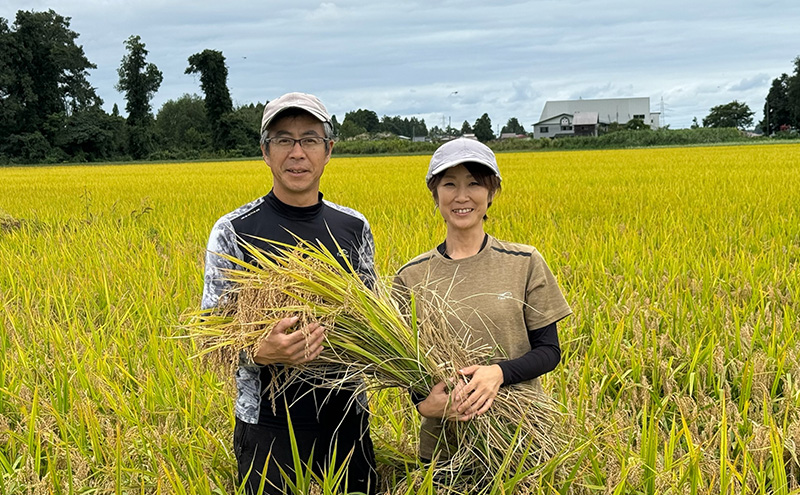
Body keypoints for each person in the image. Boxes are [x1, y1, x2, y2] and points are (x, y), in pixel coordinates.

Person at [201, 92, 377, 495]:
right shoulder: (233, 230)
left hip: (346, 414)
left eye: (310, 139)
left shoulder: (354, 227)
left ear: (329, 150)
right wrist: (262, 350)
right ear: (265, 151)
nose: (297, 152)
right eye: (283, 139)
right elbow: (212, 333)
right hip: (268, 422)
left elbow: (372, 315)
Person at [393, 137, 572, 463]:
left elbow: (549, 351)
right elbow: (406, 365)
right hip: (444, 452)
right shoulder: (412, 276)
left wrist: (498, 373)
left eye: (474, 183)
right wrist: (422, 403)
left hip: (521, 442)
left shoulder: (524, 261)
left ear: (491, 193)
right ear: (435, 195)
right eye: (449, 184)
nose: (462, 196)